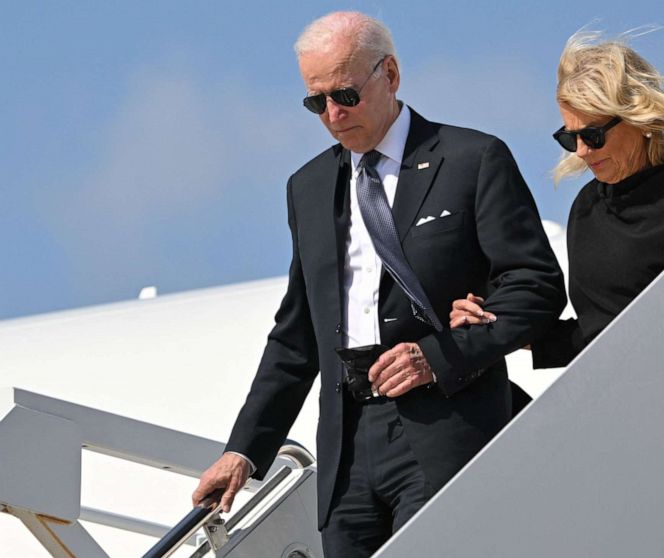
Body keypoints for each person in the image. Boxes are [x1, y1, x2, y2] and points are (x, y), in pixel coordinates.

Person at [192, 12, 565, 557]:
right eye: (316, 102)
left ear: (390, 75)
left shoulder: (471, 158)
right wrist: (244, 451)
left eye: (344, 94)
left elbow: (536, 285)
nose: (333, 115)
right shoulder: (308, 186)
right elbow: (297, 336)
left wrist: (438, 354)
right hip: (347, 446)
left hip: (444, 421)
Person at [451, 31, 664, 368]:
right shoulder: (586, 207)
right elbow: (595, 336)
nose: (582, 151)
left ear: (638, 117)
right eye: (570, 139)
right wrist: (498, 324)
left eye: (593, 135)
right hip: (613, 399)